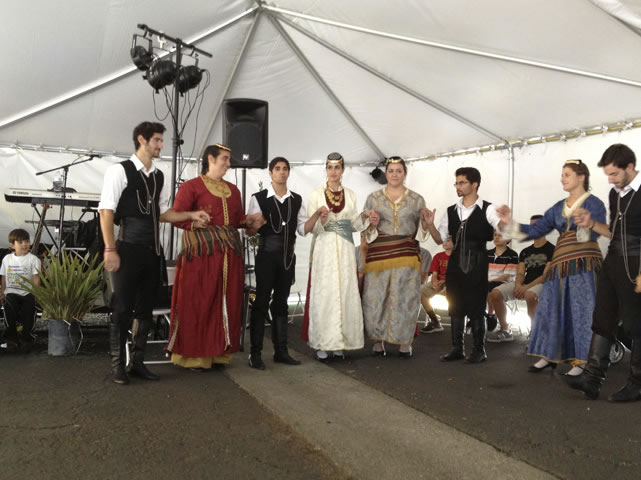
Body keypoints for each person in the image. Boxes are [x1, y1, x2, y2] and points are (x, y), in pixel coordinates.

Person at [99, 121, 210, 385]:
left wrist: (191, 215)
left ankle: (137, 363)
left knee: (145, 310)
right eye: (157, 140)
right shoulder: (119, 171)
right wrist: (110, 248)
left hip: (152, 252)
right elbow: (106, 211)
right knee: (122, 309)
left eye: (161, 140)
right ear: (142, 140)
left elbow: (162, 213)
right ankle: (117, 365)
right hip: (127, 248)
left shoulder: (159, 175)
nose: (161, 145)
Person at [497, 160, 606, 375]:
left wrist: (586, 224)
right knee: (549, 309)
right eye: (562, 174)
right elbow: (537, 229)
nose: (562, 178)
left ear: (581, 177)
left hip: (583, 264)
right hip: (560, 265)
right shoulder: (558, 207)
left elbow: (595, 231)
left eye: (567, 174)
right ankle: (549, 355)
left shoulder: (594, 203)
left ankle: (581, 361)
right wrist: (510, 222)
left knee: (581, 310)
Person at [167, 144, 264, 371]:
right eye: (225, 159)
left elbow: (235, 220)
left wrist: (250, 220)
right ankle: (195, 357)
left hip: (230, 257)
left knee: (227, 303)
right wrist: (193, 221)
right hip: (202, 258)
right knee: (200, 304)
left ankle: (219, 354)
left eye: (229, 159)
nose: (229, 164)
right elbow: (176, 216)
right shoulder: (191, 187)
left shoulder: (234, 190)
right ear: (210, 159)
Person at [565, 144, 641, 401]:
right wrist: (591, 223)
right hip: (613, 262)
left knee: (635, 324)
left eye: (614, 174)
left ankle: (637, 383)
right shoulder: (614, 193)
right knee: (602, 318)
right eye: (607, 175)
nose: (610, 180)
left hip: (636, 264)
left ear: (630, 167)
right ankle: (592, 379)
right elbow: (613, 231)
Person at [425, 167, 502, 363]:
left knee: (476, 306)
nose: (457, 186)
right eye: (456, 183)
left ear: (474, 184)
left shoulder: (488, 208)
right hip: (455, 262)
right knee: (455, 305)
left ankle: (479, 350)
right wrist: (430, 224)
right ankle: (457, 348)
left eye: (462, 182)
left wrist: (505, 223)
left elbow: (502, 229)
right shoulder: (451, 211)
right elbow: (439, 239)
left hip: (478, 261)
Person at [301, 152, 370, 362]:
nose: (333, 171)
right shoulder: (315, 194)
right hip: (325, 247)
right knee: (325, 293)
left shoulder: (351, 194)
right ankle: (323, 342)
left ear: (343, 170)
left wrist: (365, 217)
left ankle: (342, 343)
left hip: (346, 249)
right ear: (326, 169)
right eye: (330, 167)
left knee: (346, 291)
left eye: (337, 167)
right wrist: (321, 219)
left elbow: (354, 225)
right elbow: (312, 228)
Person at [247, 157, 314, 370]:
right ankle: (255, 353)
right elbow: (250, 231)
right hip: (266, 256)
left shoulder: (296, 199)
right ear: (270, 173)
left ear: (289, 172)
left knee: (282, 303)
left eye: (285, 168)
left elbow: (302, 229)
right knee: (261, 302)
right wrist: (253, 225)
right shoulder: (258, 198)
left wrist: (316, 217)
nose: (282, 172)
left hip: (287, 258)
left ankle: (281, 351)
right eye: (277, 168)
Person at [361, 156, 431, 358]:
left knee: (405, 298)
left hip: (407, 255)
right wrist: (371, 224)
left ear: (405, 173)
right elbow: (365, 229)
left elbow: (421, 231)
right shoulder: (373, 198)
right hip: (379, 255)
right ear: (386, 173)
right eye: (391, 171)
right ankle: (378, 341)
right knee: (376, 297)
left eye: (399, 171)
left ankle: (404, 342)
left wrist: (425, 223)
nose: (394, 174)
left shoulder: (417, 199)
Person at [486, 215, 555, 343]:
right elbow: (521, 273)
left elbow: (545, 276)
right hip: (525, 283)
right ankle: (506, 329)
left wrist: (525, 288)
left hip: (543, 284)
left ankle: (535, 333)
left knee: (529, 295)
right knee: (495, 293)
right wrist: (518, 285)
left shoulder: (553, 250)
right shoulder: (525, 251)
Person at [0, 229, 41, 353]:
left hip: (27, 292)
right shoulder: (7, 259)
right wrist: (2, 293)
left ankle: (27, 339)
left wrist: (36, 294)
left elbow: (36, 278)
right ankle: (11, 339)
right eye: (20, 242)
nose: (25, 244)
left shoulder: (33, 259)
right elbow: (4, 277)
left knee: (29, 313)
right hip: (11, 292)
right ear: (12, 245)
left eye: (27, 241)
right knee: (9, 309)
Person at [484, 231, 519, 333]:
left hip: (504, 283)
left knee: (490, 289)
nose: (496, 237)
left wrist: (488, 281)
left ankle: (490, 315)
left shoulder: (512, 255)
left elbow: (506, 276)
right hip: (487, 282)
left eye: (500, 235)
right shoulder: (487, 254)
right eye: (495, 235)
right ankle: (478, 316)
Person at [419, 238, 453, 334]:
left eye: (448, 241)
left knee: (451, 292)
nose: (444, 242)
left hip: (453, 284)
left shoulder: (459, 257)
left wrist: (445, 281)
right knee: (421, 291)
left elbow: (460, 276)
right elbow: (434, 274)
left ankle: (458, 322)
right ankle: (435, 321)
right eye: (444, 240)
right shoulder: (438, 256)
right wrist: (434, 282)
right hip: (439, 283)